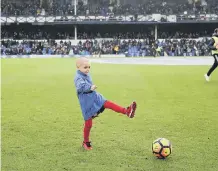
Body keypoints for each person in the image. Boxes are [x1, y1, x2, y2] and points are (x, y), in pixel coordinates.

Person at [74, 57, 137, 150]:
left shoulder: (85, 73)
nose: (87, 69)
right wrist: (89, 87)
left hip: (94, 96)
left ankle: (127, 111)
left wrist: (91, 89)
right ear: (78, 67)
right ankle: (86, 142)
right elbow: (80, 87)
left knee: (108, 103)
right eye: (85, 67)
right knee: (88, 123)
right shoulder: (78, 77)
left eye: (89, 67)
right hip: (87, 102)